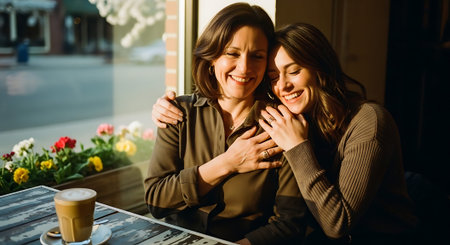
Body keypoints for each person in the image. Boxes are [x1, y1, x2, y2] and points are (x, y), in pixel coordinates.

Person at [152, 23, 419, 244]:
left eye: (294, 71)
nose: (284, 85)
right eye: (273, 76)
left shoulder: (368, 121)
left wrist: (297, 145)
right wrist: (170, 106)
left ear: (320, 69)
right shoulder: (287, 116)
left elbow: (338, 225)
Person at [144, 3, 307, 245]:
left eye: (257, 56)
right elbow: (156, 201)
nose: (244, 68)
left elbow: (289, 223)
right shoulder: (178, 113)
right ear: (211, 58)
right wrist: (227, 163)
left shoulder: (282, 126)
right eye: (232, 53)